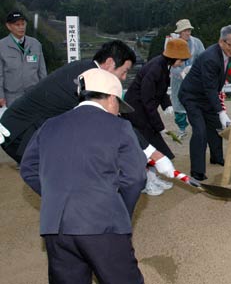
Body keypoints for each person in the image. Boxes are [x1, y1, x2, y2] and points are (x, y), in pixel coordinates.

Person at [20, 68, 146, 284]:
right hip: (103, 223)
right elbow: (135, 177)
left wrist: (55, 195)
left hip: (56, 227)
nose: (119, 112)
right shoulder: (120, 127)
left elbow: (28, 168)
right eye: (118, 106)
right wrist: (118, 208)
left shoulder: (49, 126)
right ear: (111, 99)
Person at [0, 40, 175, 193]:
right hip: (22, 133)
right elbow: (114, 124)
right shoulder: (89, 80)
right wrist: (155, 154)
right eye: (124, 71)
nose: (123, 78)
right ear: (109, 63)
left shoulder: (86, 69)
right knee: (69, 181)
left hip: (32, 129)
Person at [123, 38, 190, 193]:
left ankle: (152, 178)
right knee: (147, 146)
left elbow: (160, 90)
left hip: (143, 110)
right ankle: (146, 183)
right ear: (174, 58)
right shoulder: (155, 69)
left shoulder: (163, 65)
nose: (182, 63)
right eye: (181, 60)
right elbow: (147, 101)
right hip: (136, 112)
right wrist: (159, 127)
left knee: (152, 145)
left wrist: (167, 105)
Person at [178, 25, 231, 181]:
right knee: (200, 131)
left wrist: (218, 113)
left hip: (206, 96)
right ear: (221, 42)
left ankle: (216, 157)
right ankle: (197, 171)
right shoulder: (211, 57)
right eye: (230, 44)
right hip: (191, 96)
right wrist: (221, 111)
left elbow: (212, 89)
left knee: (215, 126)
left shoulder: (225, 54)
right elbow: (210, 88)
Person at [0, 10, 47, 106]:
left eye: (23, 24)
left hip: (33, 95)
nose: (21, 27)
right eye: (17, 25)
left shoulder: (35, 44)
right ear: (9, 26)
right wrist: (0, 96)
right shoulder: (2, 45)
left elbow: (42, 72)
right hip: (11, 97)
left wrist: (45, 92)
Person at [169, 19, 205, 139]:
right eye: (185, 30)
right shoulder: (173, 44)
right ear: (180, 32)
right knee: (178, 103)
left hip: (194, 78)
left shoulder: (197, 43)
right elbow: (170, 63)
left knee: (195, 104)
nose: (188, 33)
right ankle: (181, 128)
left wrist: (195, 71)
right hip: (178, 80)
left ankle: (198, 128)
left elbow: (202, 59)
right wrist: (181, 73)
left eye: (189, 30)